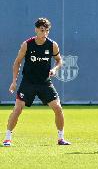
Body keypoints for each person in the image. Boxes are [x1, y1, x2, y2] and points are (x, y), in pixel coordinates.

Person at [3, 18, 71, 146]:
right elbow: (17, 62)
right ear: (36, 30)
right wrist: (14, 81)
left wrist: (55, 69)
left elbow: (59, 60)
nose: (44, 33)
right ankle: (7, 138)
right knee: (17, 109)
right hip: (28, 82)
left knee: (58, 108)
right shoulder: (27, 44)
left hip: (45, 83)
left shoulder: (52, 45)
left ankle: (61, 138)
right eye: (42, 30)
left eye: (47, 30)